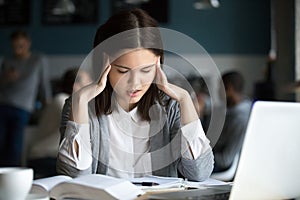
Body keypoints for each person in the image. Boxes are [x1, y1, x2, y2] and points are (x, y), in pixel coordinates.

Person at [56, 8, 214, 181]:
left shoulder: (172, 106)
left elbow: (199, 173)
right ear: (104, 64)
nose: (135, 83)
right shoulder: (79, 105)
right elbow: (75, 177)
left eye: (146, 70)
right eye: (123, 71)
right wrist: (80, 99)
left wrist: (185, 99)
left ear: (158, 63)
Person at [27, 68, 92, 178]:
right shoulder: (62, 100)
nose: (92, 84)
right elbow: (78, 128)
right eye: (88, 81)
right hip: (44, 157)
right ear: (76, 85)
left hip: (50, 156)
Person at [0, 30, 52, 166]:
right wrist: (6, 78)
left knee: (15, 146)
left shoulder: (38, 60)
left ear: (28, 43)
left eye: (21, 46)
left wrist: (48, 102)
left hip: (23, 107)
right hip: (3, 103)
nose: (17, 50)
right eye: (15, 46)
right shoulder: (8, 60)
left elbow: (43, 83)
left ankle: (12, 177)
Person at [212, 71, 252, 173]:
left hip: (224, 166)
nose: (217, 91)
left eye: (219, 88)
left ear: (229, 88)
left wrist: (202, 158)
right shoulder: (231, 110)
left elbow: (226, 160)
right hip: (216, 158)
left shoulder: (240, 119)